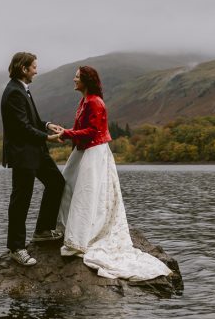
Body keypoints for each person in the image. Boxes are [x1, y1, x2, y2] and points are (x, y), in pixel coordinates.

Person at [57, 66, 171, 281]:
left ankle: (83, 236)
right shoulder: (84, 101)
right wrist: (65, 133)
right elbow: (80, 128)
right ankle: (73, 231)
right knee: (70, 186)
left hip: (94, 153)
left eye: (77, 76)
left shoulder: (95, 102)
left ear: (86, 80)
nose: (73, 79)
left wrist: (66, 133)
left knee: (87, 193)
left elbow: (93, 131)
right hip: (83, 151)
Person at [1, 52, 66, 266]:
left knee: (57, 183)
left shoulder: (22, 90)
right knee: (21, 201)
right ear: (24, 69)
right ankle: (16, 248)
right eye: (34, 67)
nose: (36, 71)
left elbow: (33, 120)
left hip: (35, 152)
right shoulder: (13, 92)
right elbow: (22, 128)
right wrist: (48, 138)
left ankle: (42, 231)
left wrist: (47, 125)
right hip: (23, 155)